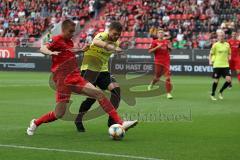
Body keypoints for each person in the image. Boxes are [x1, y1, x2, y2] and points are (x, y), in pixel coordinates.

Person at [26, 19, 138, 136]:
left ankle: (120, 122)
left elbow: (68, 53)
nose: (72, 34)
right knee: (59, 114)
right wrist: (50, 53)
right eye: (70, 31)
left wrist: (80, 50)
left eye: (73, 31)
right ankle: (36, 122)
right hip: (62, 80)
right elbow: (43, 48)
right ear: (63, 30)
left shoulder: (69, 42)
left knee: (99, 94)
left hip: (75, 77)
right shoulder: (56, 39)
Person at [75, 21, 124, 132]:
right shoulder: (102, 35)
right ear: (109, 31)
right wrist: (110, 46)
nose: (116, 36)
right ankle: (78, 119)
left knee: (116, 90)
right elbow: (96, 42)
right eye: (114, 34)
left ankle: (112, 120)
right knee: (92, 98)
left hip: (103, 71)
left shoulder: (116, 43)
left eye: (118, 35)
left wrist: (114, 47)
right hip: (89, 70)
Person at [148, 29, 173, 99]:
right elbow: (149, 51)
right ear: (157, 34)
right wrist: (157, 47)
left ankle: (168, 93)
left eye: (162, 33)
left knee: (168, 78)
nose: (161, 34)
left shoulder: (166, 41)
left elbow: (170, 50)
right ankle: (152, 84)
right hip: (158, 62)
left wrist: (170, 47)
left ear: (163, 34)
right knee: (157, 78)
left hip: (166, 62)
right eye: (159, 33)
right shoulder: (154, 42)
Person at [209, 30, 231, 100]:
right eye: (220, 36)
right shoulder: (215, 45)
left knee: (229, 80)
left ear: (224, 36)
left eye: (222, 36)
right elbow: (211, 54)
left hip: (225, 65)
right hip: (217, 65)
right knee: (216, 81)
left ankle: (220, 91)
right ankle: (212, 94)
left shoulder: (227, 44)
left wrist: (229, 57)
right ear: (218, 37)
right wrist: (210, 61)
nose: (221, 37)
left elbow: (229, 53)